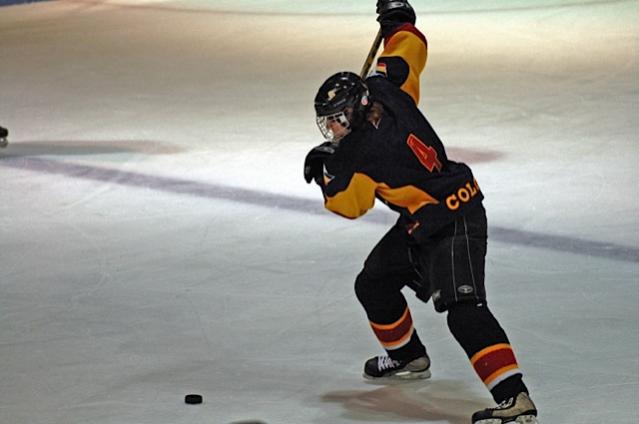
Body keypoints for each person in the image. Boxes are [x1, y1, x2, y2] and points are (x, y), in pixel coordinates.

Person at [303, 1, 538, 423]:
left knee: (464, 310)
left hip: (455, 218)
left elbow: (350, 204)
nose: (332, 128)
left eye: (336, 120)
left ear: (354, 112)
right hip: (424, 220)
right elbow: (407, 50)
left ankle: (516, 401)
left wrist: (326, 174)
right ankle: (408, 356)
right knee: (373, 283)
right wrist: (399, 21)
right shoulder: (385, 87)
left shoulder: (361, 154)